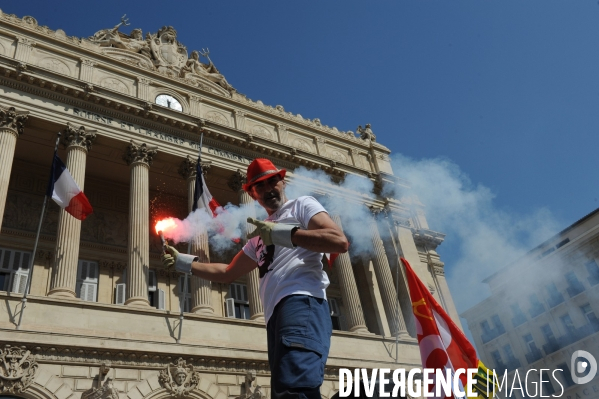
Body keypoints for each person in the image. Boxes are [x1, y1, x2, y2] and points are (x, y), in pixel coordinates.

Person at [162, 158, 349, 399]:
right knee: (285, 390)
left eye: (273, 181)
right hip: (275, 316)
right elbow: (228, 272)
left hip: (302, 301)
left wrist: (284, 234)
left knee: (296, 386)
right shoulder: (260, 234)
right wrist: (183, 262)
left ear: (283, 182)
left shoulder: (302, 205)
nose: (268, 189)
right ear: (252, 193)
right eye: (260, 186)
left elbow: (339, 241)